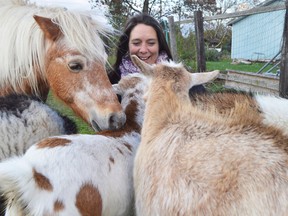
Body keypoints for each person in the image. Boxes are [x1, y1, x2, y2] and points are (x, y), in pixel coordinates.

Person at [109, 13, 205, 94]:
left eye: (151, 43)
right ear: (127, 45)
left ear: (160, 45)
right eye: (136, 43)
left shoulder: (187, 85)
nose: (143, 50)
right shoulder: (109, 84)